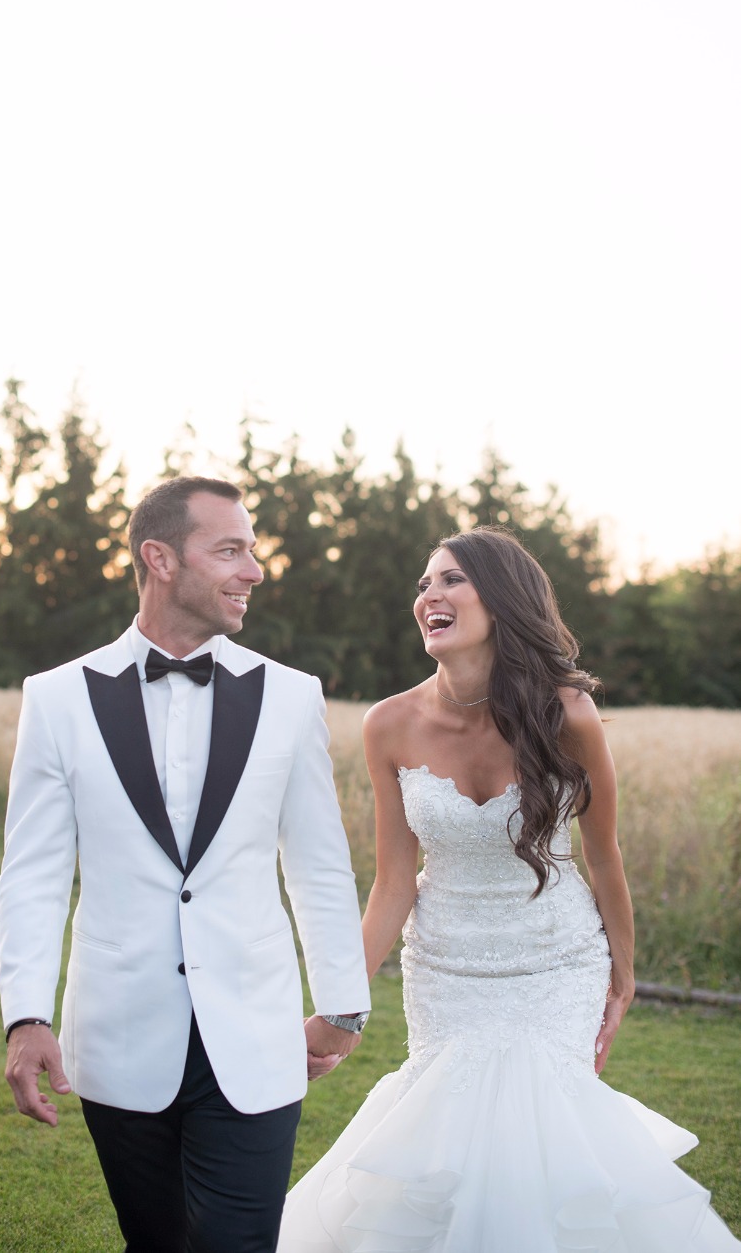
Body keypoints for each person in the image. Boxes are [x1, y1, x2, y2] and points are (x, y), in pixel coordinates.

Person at [278, 525, 740, 1252]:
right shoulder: (388, 724)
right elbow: (394, 883)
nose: (429, 593)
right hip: (446, 970)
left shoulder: (569, 716)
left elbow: (604, 855)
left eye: (451, 579)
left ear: (502, 599)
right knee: (449, 1137)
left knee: (536, 1130)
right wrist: (343, 1000)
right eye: (424, 583)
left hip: (557, 963)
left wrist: (623, 975)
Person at [0, 476, 370, 1253]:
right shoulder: (57, 697)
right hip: (118, 1031)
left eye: (253, 549)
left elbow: (319, 862)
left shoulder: (291, 698)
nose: (254, 570)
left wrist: (342, 1001)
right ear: (159, 557)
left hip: (257, 1031)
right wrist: (26, 1013)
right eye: (230, 549)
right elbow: (33, 870)